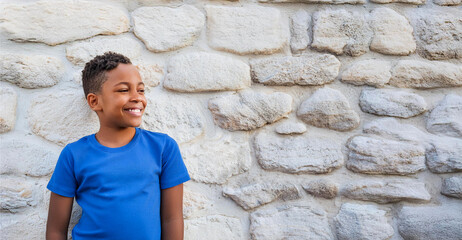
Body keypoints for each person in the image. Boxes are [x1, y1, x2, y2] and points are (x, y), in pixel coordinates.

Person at [46, 52, 190, 240]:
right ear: (94, 101)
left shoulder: (163, 148)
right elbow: (56, 230)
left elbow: (172, 219)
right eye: (123, 90)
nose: (137, 97)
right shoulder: (73, 155)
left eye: (141, 90)